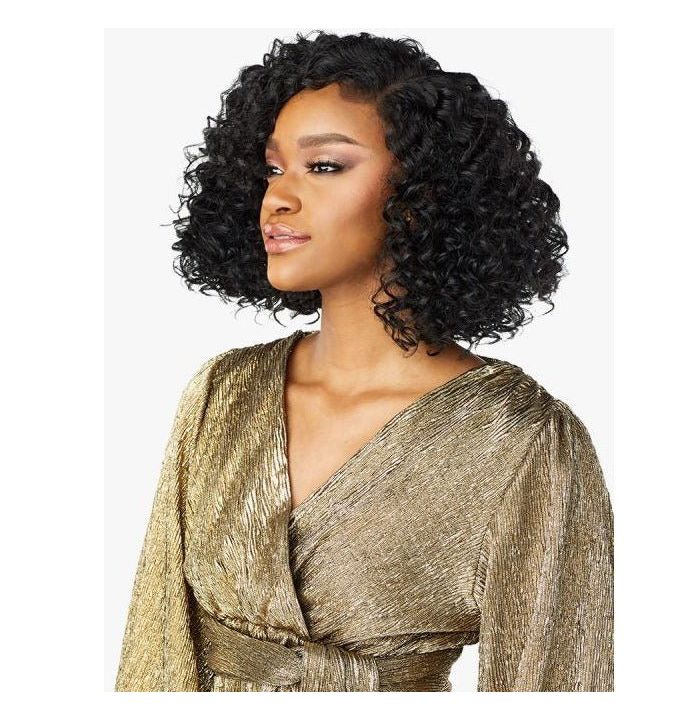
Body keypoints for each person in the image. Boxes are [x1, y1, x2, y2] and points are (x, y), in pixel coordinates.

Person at [115, 30, 613, 692]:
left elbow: (556, 682)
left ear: (423, 194)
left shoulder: (523, 441)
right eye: (273, 169)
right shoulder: (222, 394)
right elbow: (156, 644)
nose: (278, 198)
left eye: (324, 167)